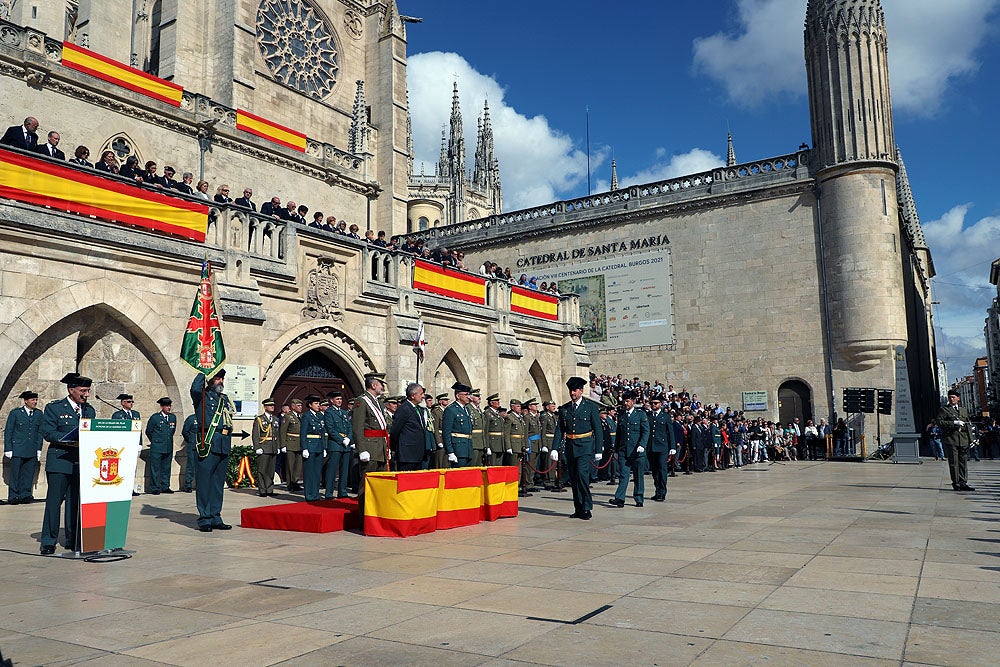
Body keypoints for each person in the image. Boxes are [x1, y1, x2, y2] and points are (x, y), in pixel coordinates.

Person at [39, 372, 95, 554]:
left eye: (88, 391)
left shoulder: (89, 410)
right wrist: (66, 439)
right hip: (60, 461)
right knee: (54, 503)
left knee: (75, 503)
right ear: (71, 390)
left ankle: (74, 539)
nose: (86, 394)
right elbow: (48, 432)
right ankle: (48, 541)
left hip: (81, 462)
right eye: (83, 391)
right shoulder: (55, 408)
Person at [551, 377, 605, 520]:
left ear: (581, 391)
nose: (572, 393)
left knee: (582, 476)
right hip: (570, 446)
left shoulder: (590, 407)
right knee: (574, 479)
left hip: (585, 447)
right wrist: (554, 448)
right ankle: (578, 508)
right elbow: (559, 430)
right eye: (570, 390)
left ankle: (586, 507)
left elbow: (598, 430)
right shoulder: (565, 409)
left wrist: (598, 449)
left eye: (575, 390)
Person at [190, 370, 235, 531]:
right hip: (208, 441)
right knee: (204, 482)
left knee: (217, 483)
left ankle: (216, 516)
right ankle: (205, 518)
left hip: (223, 442)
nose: (220, 381)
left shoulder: (224, 399)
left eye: (222, 378)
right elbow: (195, 388)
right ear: (210, 380)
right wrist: (204, 371)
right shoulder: (202, 396)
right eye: (217, 378)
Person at [352, 372, 389, 509]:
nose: (383, 387)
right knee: (366, 486)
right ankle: (364, 517)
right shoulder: (361, 401)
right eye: (381, 384)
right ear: (373, 385)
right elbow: (357, 427)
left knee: (380, 485)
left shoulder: (378, 402)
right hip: (370, 449)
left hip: (380, 449)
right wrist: (362, 450)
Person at [4, 390, 43, 505]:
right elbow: (9, 431)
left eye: (36, 400)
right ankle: (14, 496)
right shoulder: (15, 413)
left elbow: (40, 432)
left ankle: (25, 494)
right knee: (15, 474)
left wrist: (39, 449)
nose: (35, 402)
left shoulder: (38, 414)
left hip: (31, 449)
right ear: (26, 401)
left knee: (28, 473)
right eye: (32, 400)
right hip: (17, 448)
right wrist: (8, 448)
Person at [610, 390, 649, 508]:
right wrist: (616, 450)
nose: (625, 403)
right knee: (623, 475)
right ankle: (620, 498)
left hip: (637, 451)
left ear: (633, 401)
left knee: (638, 476)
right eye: (624, 401)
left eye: (627, 401)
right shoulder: (621, 415)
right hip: (623, 450)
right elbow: (619, 434)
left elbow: (645, 431)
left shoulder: (640, 414)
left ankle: (639, 497)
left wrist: (642, 445)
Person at [938, 389, 975, 491]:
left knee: (963, 462)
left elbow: (968, 425)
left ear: (958, 398)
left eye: (953, 397)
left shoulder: (963, 410)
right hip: (951, 439)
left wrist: (971, 440)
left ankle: (963, 482)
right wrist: (954, 423)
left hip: (963, 439)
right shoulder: (944, 410)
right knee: (954, 462)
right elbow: (940, 422)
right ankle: (956, 483)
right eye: (950, 397)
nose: (951, 399)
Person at [390, 383, 429, 471]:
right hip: (407, 455)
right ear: (412, 396)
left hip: (418, 454)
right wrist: (395, 448)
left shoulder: (418, 409)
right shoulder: (404, 409)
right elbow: (395, 431)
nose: (423, 396)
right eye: (421, 394)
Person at [323, 391, 353, 498]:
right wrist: (342, 439)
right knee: (332, 470)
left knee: (344, 470)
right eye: (337, 399)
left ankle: (342, 492)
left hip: (346, 445)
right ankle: (329, 493)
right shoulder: (329, 412)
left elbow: (349, 427)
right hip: (335, 444)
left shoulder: (344, 413)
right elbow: (330, 429)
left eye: (340, 399)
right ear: (331, 400)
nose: (340, 401)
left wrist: (349, 438)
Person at [145, 397, 177, 494]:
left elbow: (172, 431)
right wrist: (155, 441)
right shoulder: (155, 417)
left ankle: (165, 486)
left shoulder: (172, 417)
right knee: (155, 468)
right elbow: (148, 431)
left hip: (168, 446)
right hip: (157, 447)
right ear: (161, 406)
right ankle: (154, 488)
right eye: (166, 406)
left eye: (169, 405)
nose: (168, 408)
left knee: (166, 468)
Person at [647, 395, 675, 500]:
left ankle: (662, 492)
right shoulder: (648, 415)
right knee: (654, 470)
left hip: (662, 447)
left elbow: (670, 432)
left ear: (661, 404)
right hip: (651, 446)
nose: (653, 405)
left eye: (656, 403)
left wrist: (672, 447)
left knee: (662, 469)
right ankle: (657, 491)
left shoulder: (665, 416)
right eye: (652, 403)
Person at [299, 395, 326, 501]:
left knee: (317, 472)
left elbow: (322, 432)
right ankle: (309, 495)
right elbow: (303, 433)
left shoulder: (320, 416)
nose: (318, 405)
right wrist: (304, 447)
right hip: (310, 446)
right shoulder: (306, 416)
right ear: (310, 405)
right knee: (309, 472)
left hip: (319, 445)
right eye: (316, 403)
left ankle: (315, 494)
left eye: (318, 403)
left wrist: (324, 447)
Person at [442, 382, 474, 467]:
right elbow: (446, 432)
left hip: (468, 448)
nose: (468, 397)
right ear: (458, 396)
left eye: (469, 394)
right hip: (458, 449)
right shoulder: (451, 410)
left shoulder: (467, 409)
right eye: (466, 394)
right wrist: (450, 452)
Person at [252, 398, 279, 497]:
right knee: (262, 470)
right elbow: (255, 434)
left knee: (271, 471)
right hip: (263, 447)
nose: (272, 407)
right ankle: (262, 490)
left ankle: (270, 489)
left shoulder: (275, 419)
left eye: (273, 405)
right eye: (270, 405)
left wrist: (278, 446)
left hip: (273, 447)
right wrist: (257, 447)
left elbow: (278, 434)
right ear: (265, 407)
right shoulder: (259, 419)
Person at [280, 398, 303, 492]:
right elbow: (283, 431)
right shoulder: (288, 416)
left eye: (301, 405)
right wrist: (283, 445)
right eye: (299, 405)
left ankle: (295, 481)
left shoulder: (301, 416)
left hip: (299, 444)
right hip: (290, 443)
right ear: (293, 407)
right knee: (290, 465)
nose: (301, 407)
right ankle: (290, 483)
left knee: (298, 465)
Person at [484, 393, 504, 467]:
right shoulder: (487, 413)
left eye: (498, 400)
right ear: (491, 403)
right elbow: (486, 430)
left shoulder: (498, 414)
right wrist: (487, 446)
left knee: (499, 466)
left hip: (500, 444)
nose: (498, 402)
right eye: (496, 401)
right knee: (492, 465)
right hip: (492, 443)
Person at [181, 412, 199, 493]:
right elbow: (185, 431)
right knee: (190, 466)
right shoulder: (191, 419)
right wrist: (191, 440)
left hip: (204, 447)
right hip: (193, 446)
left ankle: (201, 485)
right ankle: (188, 485)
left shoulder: (206, 418)